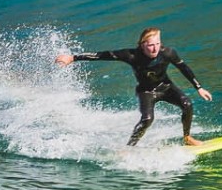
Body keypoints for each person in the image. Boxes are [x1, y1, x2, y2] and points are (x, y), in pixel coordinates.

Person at [57, 27, 213, 146]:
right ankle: (129, 147)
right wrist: (73, 57)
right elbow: (102, 55)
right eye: (151, 45)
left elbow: (184, 68)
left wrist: (198, 88)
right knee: (147, 119)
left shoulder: (168, 53)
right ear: (142, 44)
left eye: (158, 43)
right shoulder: (131, 55)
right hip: (146, 92)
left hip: (166, 87)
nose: (155, 48)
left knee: (187, 104)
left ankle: (187, 138)